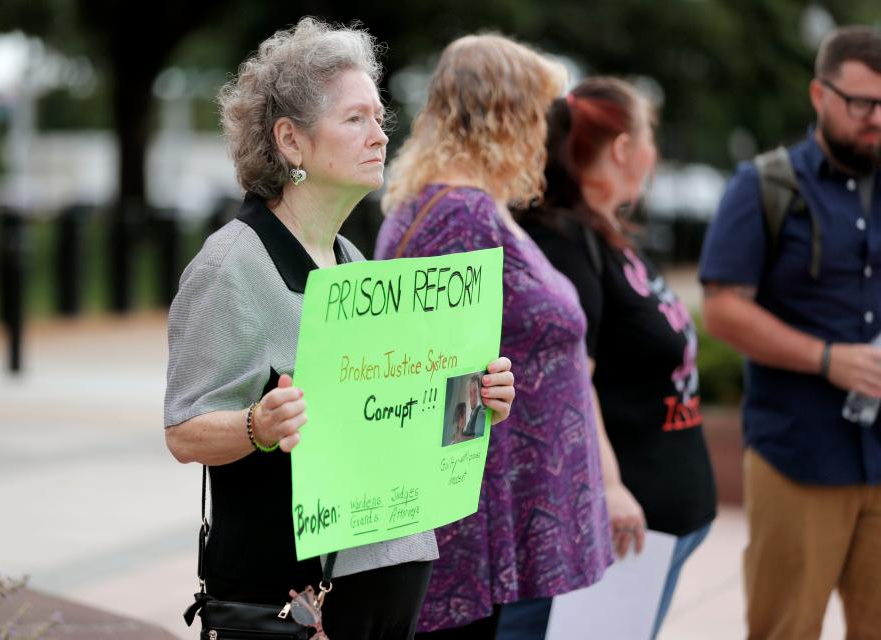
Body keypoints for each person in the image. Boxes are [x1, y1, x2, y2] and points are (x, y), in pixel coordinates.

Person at [162, 18, 516, 640]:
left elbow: (384, 417)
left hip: (384, 588)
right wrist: (257, 425)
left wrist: (473, 401)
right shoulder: (232, 264)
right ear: (291, 143)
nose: (380, 135)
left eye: (380, 118)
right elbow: (185, 431)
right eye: (356, 119)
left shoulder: (351, 260)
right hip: (293, 608)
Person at [375, 34, 612, 639]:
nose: (544, 131)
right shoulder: (460, 216)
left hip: (498, 509)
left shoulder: (467, 206)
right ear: (508, 114)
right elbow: (430, 372)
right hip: (477, 526)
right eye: (538, 112)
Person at [514, 78, 717, 639]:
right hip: (622, 532)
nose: (655, 153)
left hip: (658, 523)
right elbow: (572, 377)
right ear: (625, 149)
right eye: (651, 136)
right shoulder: (564, 241)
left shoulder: (606, 233)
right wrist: (607, 484)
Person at [699, 25, 881, 640]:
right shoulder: (763, 185)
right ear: (818, 95)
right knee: (786, 630)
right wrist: (827, 359)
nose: (876, 118)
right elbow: (722, 309)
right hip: (798, 456)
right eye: (862, 103)